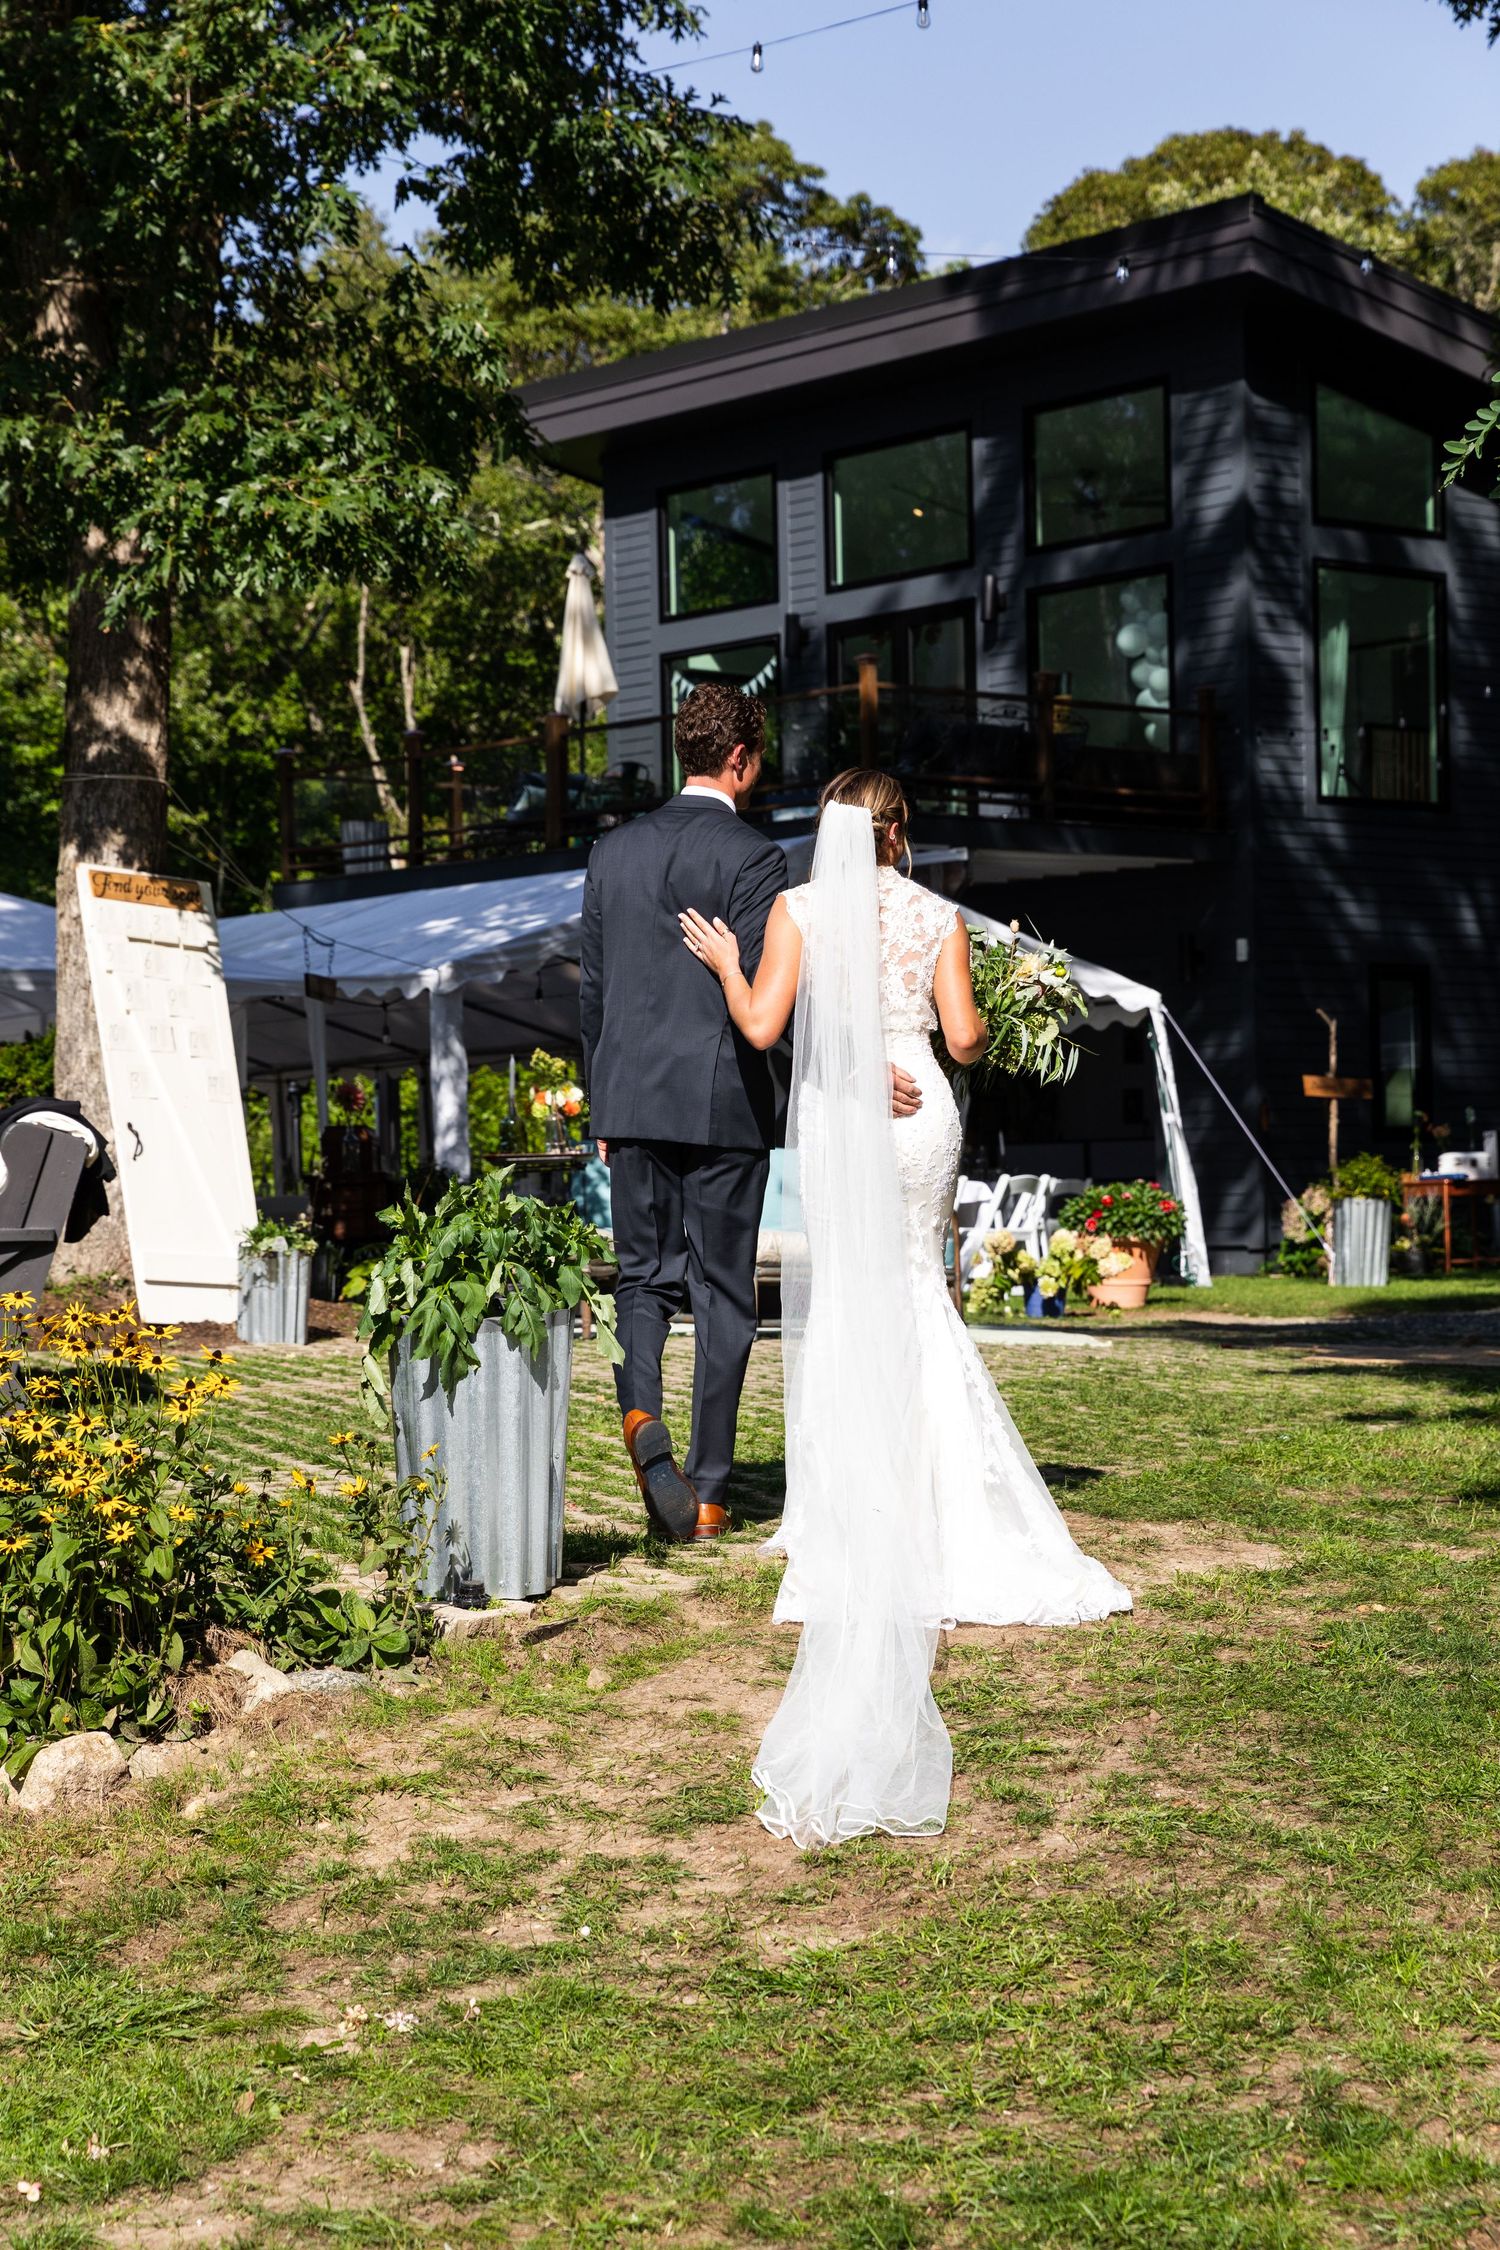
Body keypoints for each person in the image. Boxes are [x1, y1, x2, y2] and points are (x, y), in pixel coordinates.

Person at [680, 769, 1132, 1848]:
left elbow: (760, 1027)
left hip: (840, 1118)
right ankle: (944, 1515)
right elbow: (966, 1039)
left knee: (841, 1311)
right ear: (900, 834)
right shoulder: (938, 914)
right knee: (917, 1296)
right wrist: (984, 1021)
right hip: (920, 1110)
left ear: (830, 830)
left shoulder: (793, 910)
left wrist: (726, 960)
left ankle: (849, 1517)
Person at [579, 686, 923, 1543]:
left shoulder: (609, 854)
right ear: (743, 759)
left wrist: (603, 1101)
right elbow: (775, 1004)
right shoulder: (754, 859)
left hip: (629, 1098)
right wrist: (854, 1064)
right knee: (724, 1293)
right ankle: (706, 1490)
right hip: (722, 1104)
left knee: (642, 1284)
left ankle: (638, 1415)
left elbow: (594, 990)